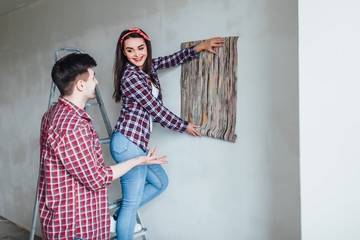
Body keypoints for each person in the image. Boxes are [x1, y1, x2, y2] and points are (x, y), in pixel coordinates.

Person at [110, 28, 224, 240]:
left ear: (147, 47)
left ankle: (117, 217)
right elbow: (156, 110)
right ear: (123, 53)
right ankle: (122, 218)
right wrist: (184, 126)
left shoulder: (147, 67)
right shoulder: (131, 76)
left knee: (160, 183)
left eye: (141, 48)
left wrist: (201, 46)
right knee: (131, 204)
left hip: (136, 144)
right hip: (127, 144)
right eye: (130, 50)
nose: (137, 54)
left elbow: (171, 59)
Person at [39, 53, 167, 240]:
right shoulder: (73, 126)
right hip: (76, 229)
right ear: (80, 85)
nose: (97, 82)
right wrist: (138, 160)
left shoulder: (52, 114)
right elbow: (97, 178)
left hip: (71, 221)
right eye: (93, 77)